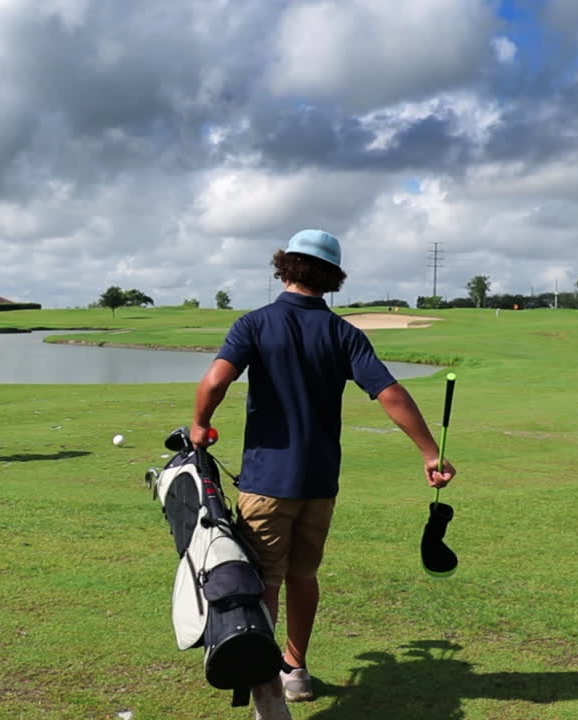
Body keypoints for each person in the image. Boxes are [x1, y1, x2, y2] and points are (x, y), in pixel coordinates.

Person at [190, 229, 456, 720]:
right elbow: (390, 393)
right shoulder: (343, 333)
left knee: (265, 579)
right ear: (332, 278)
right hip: (319, 483)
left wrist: (201, 425)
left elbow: (216, 380)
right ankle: (295, 669)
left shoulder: (255, 323)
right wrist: (429, 453)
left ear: (285, 267)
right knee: (304, 575)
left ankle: (267, 688)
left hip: (266, 481)